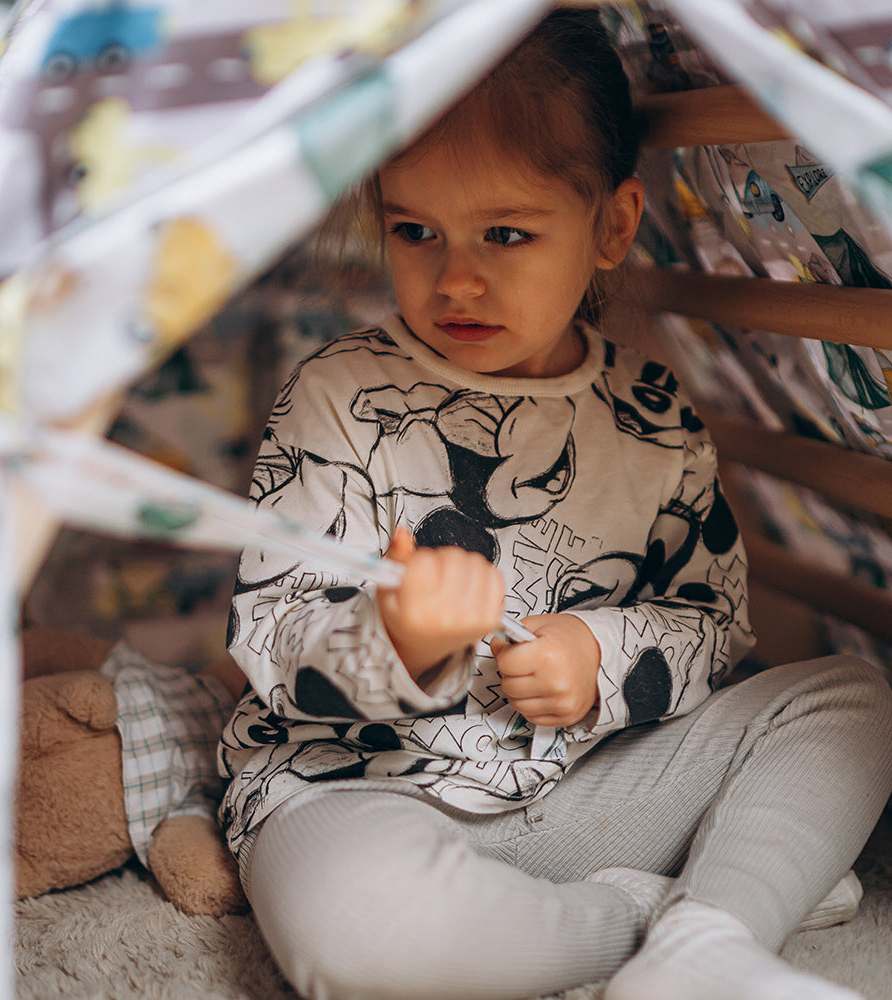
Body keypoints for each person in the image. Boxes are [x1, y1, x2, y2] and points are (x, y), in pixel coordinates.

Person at [217, 10, 892, 1000]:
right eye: (414, 230)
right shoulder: (338, 395)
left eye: (505, 233)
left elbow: (713, 625)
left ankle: (708, 948)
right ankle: (658, 919)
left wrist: (600, 655)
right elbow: (268, 635)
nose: (455, 277)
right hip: (362, 786)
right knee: (363, 938)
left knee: (852, 700)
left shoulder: (655, 417)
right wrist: (391, 640)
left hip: (584, 779)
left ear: (613, 227)